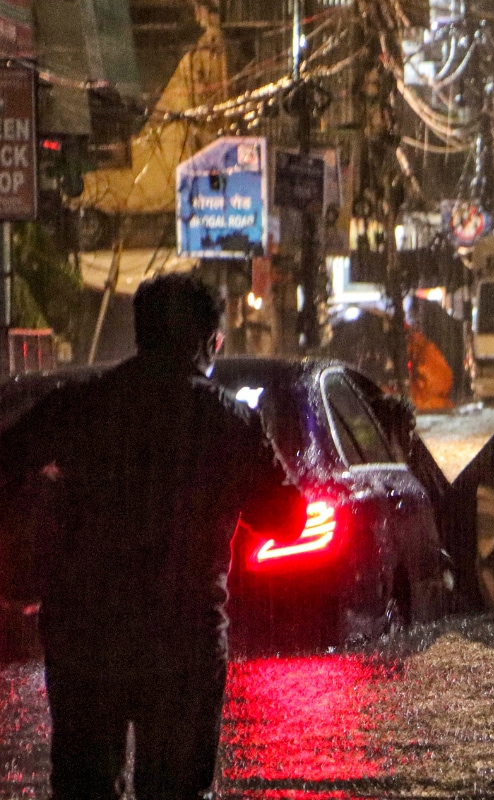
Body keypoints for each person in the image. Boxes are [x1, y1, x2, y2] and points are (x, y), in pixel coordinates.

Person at [0, 274, 305, 799]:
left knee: (83, 788)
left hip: (84, 635)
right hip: (182, 641)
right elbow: (287, 519)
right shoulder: (228, 421)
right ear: (210, 342)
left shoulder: (79, 404)